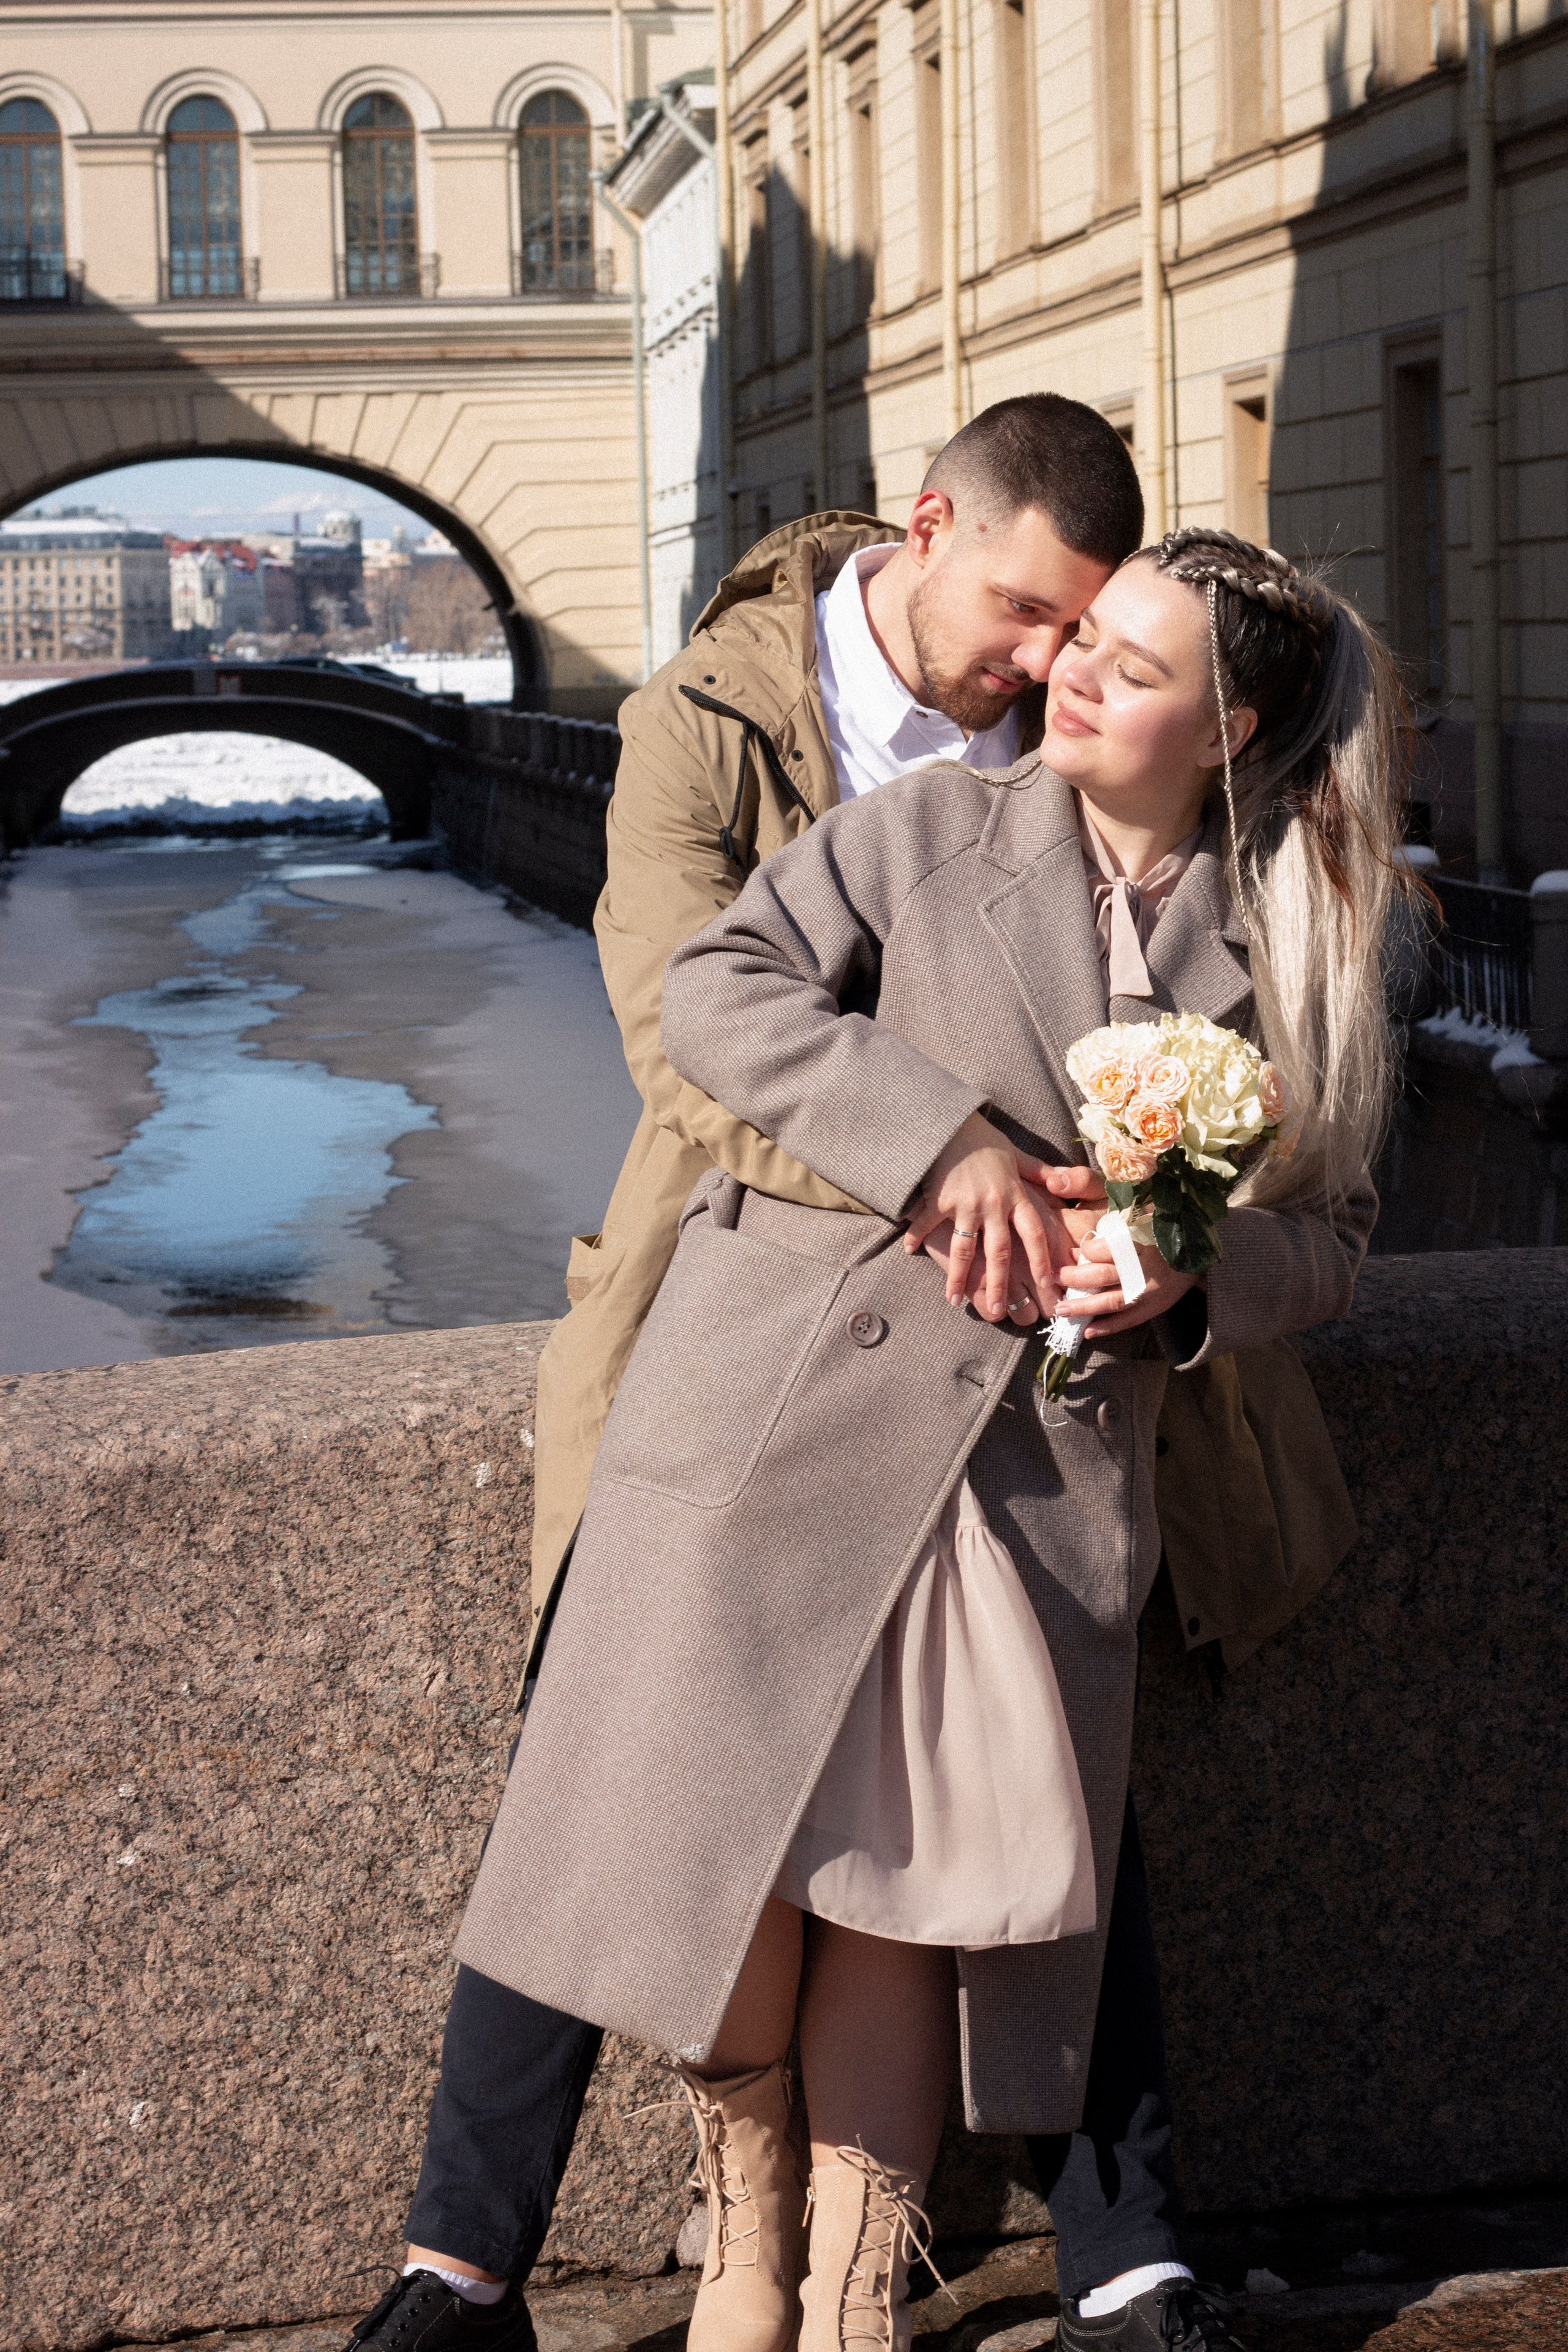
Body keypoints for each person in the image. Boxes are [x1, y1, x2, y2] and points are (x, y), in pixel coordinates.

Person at [346, 421, 1352, 2352]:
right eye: (1037, 620)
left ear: (1218, 724)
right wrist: (961, 1163)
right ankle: (468, 2262)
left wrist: (1182, 1270)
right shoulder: (738, 735)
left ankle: (1059, 2260)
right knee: (628, 1798)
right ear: (930, 534)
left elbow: (1326, 1214)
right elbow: (692, 1029)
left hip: (1052, 1439)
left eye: (1106, 641)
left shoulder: (1256, 907)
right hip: (745, 1337)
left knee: (997, 1834)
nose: (1051, 664)